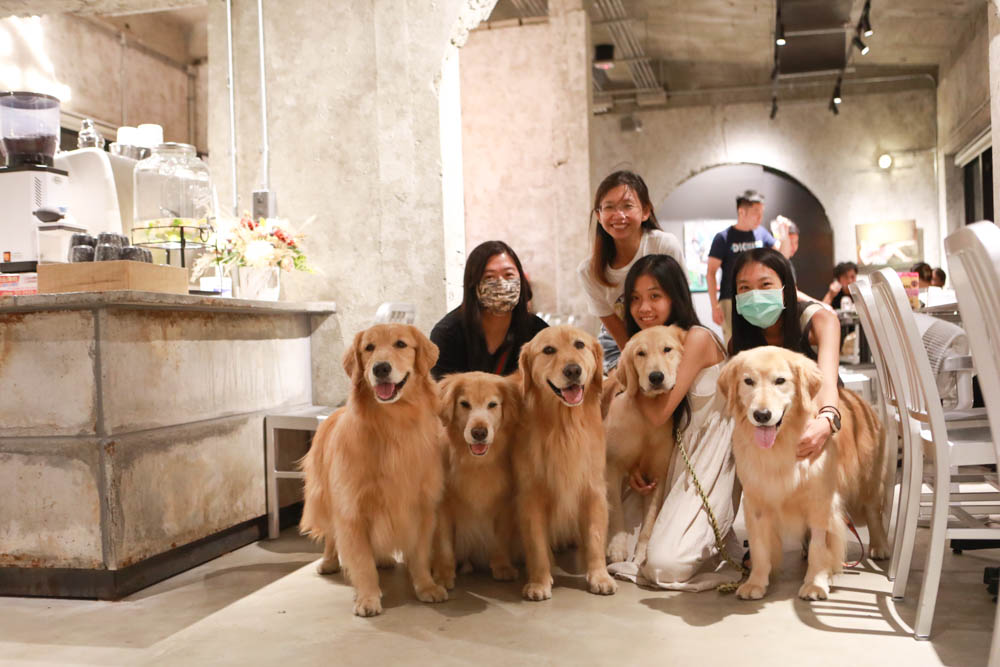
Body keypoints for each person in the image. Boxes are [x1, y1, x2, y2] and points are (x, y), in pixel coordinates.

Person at [606, 253, 741, 591]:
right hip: (672, 460)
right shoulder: (648, 344)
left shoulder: (693, 338)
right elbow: (656, 424)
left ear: (675, 295)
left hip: (707, 460)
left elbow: (657, 412)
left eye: (655, 295)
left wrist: (626, 376)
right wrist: (636, 461)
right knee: (615, 541)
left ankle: (714, 539)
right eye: (634, 299)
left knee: (665, 565)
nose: (643, 308)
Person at [730, 247, 842, 461]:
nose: (755, 295)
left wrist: (827, 420)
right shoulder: (738, 344)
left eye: (765, 285)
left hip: (818, 416)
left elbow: (827, 382)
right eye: (744, 288)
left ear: (785, 287)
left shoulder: (820, 321)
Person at [577, 170, 683, 372]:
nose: (619, 215)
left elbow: (681, 306)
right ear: (599, 215)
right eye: (609, 207)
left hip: (668, 335)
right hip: (622, 343)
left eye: (627, 206)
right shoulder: (588, 271)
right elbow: (617, 334)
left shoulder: (663, 245)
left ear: (645, 211)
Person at [430, 240, 547, 380]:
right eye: (489, 277)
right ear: (473, 284)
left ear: (521, 279)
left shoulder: (537, 331)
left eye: (509, 275)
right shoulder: (448, 333)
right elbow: (442, 394)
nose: (501, 283)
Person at [707, 190, 776, 345]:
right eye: (756, 212)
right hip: (731, 299)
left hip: (760, 296)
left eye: (762, 213)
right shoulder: (723, 237)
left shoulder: (762, 234)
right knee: (735, 344)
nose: (760, 217)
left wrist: (783, 235)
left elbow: (782, 257)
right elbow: (711, 273)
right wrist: (714, 306)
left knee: (761, 343)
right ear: (741, 212)